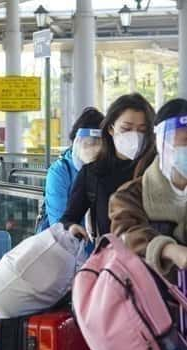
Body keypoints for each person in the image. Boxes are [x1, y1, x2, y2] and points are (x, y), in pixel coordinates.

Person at [61, 93, 156, 241]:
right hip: (113, 260)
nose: (135, 136)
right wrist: (72, 227)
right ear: (111, 129)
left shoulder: (158, 170)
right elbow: (68, 219)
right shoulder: (92, 172)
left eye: (142, 130)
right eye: (126, 129)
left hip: (157, 259)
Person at [110, 98, 187, 280]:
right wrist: (168, 250)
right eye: (185, 140)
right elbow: (127, 234)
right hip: (151, 298)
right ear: (163, 143)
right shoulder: (129, 196)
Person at [37, 107, 104, 231]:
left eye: (100, 143)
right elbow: (59, 225)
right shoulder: (60, 172)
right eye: (89, 143)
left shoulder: (108, 169)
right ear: (75, 142)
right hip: (70, 243)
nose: (95, 149)